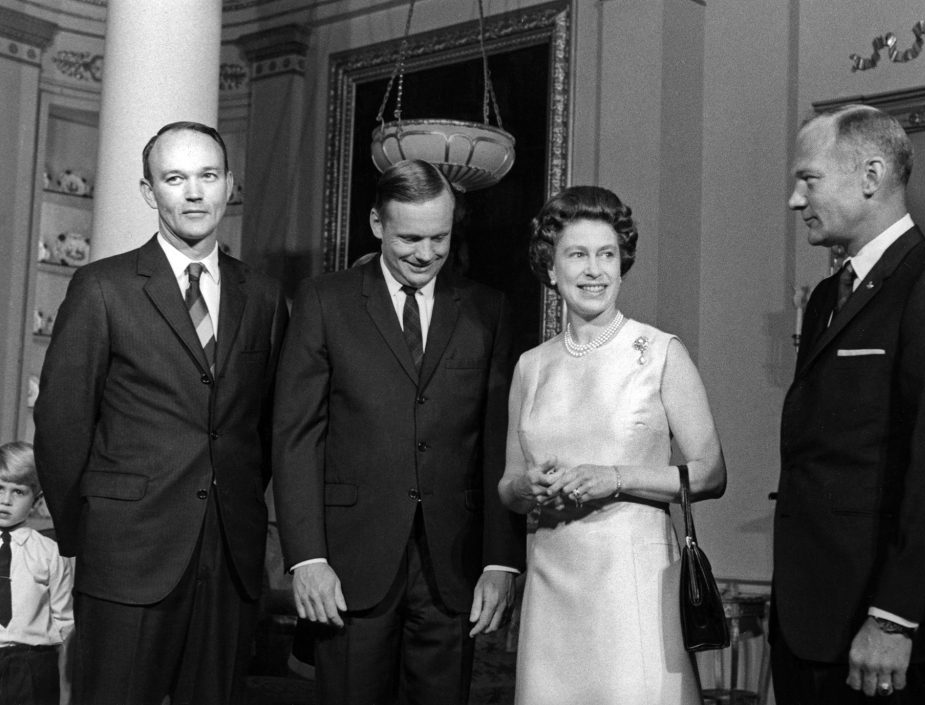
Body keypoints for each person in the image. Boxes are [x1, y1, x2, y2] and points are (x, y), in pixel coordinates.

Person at [34, 121, 289, 705]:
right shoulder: (103, 287)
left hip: (229, 555)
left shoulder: (265, 295)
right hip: (126, 553)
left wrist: (240, 505)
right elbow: (61, 425)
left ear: (229, 185)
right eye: (175, 178)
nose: (194, 193)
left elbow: (267, 425)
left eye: (207, 176)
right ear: (150, 192)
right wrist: (87, 532)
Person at [272, 159, 524, 704]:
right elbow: (296, 436)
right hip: (347, 566)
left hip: (452, 569)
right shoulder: (324, 301)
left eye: (440, 237)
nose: (426, 253)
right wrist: (307, 558)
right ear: (376, 223)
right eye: (410, 237)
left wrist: (500, 560)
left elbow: (500, 445)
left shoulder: (488, 309)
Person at [773, 104, 925, 703]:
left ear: (870, 177)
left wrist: (893, 619)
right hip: (806, 627)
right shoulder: (826, 296)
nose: (797, 201)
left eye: (809, 179)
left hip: (875, 634)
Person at [498, 185, 727, 704]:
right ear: (550, 268)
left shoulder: (660, 353)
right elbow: (508, 488)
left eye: (607, 255)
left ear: (622, 265)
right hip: (552, 583)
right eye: (577, 255)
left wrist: (616, 477)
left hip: (634, 587)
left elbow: (711, 473)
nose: (594, 270)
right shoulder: (531, 367)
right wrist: (528, 487)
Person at [0, 442, 73, 705]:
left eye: (18, 491)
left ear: (37, 500)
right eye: (0, 488)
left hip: (33, 665)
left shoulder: (50, 552)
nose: (5, 501)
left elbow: (66, 621)